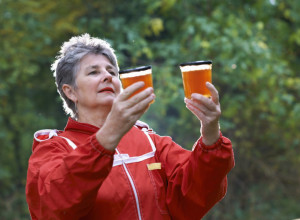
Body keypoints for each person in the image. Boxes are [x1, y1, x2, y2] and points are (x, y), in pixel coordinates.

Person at [26, 33, 234, 220]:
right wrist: (110, 133)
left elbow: (197, 194)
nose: (107, 76)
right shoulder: (54, 148)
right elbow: (54, 206)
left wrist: (210, 132)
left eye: (112, 71)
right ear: (70, 92)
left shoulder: (148, 140)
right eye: (93, 72)